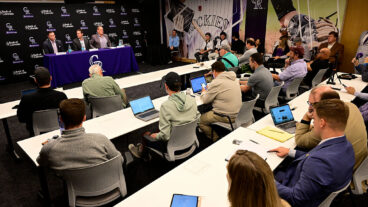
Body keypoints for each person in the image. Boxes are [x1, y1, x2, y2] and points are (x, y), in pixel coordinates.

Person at [270, 99, 355, 207]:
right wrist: (290, 152)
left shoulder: (318, 162)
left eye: (314, 119)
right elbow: (316, 157)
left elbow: (295, 198)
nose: (313, 123)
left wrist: (268, 180)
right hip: (313, 191)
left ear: (322, 123)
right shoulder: (346, 146)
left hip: (291, 197)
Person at [128, 72, 200, 159]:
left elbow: (165, 136)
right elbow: (198, 118)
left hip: (172, 148)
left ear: (166, 86)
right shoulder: (191, 99)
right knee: (162, 128)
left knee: (145, 134)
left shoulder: (166, 106)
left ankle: (142, 155)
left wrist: (153, 135)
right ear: (180, 85)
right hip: (190, 143)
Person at [295, 86, 367, 171]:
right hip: (360, 165)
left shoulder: (327, 125)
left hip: (342, 171)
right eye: (309, 103)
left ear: (325, 105)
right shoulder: (351, 106)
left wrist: (306, 117)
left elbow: (300, 140)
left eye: (313, 104)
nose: (309, 108)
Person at [37, 98, 120, 170]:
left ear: (61, 119)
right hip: (108, 184)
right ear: (84, 118)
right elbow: (119, 160)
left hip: (73, 187)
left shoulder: (49, 148)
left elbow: (41, 162)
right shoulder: (101, 139)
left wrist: (49, 144)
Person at [17, 67, 67, 136]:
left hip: (36, 134)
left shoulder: (26, 98)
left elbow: (21, 119)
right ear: (51, 78)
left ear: (35, 80)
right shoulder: (61, 96)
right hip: (59, 131)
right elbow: (67, 115)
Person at [199, 61, 242, 141]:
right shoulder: (234, 79)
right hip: (239, 113)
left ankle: (216, 138)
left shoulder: (216, 82)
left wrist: (204, 91)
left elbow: (205, 100)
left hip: (226, 116)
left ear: (214, 71)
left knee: (200, 120)